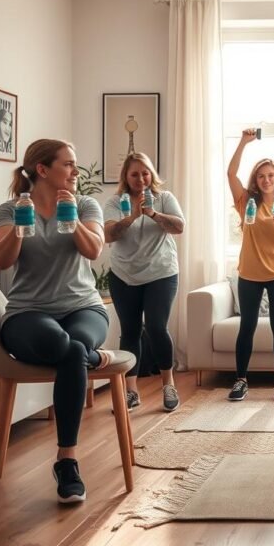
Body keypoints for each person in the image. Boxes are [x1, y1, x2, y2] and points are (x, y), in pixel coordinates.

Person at [0, 139, 112, 504]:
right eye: (69, 165)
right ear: (42, 170)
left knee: (73, 346)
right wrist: (20, 226)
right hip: (28, 313)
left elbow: (93, 250)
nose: (75, 172)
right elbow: (2, 261)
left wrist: (70, 218)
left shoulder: (85, 204)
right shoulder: (10, 210)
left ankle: (67, 460)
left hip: (83, 308)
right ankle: (93, 357)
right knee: (68, 348)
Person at [103, 152, 185, 413]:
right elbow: (108, 235)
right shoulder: (116, 202)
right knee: (129, 331)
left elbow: (179, 226)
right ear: (126, 177)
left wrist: (153, 214)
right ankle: (131, 392)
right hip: (124, 275)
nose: (141, 178)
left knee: (157, 327)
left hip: (161, 272)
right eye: (135, 174)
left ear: (152, 174)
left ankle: (168, 385)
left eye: (145, 173)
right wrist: (133, 215)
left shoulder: (165, 198)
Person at [224, 129, 274, 402]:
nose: (266, 179)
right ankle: (241, 380)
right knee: (248, 326)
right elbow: (231, 174)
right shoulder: (246, 203)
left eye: (271, 175)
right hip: (250, 275)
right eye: (261, 175)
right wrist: (243, 141)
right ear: (256, 180)